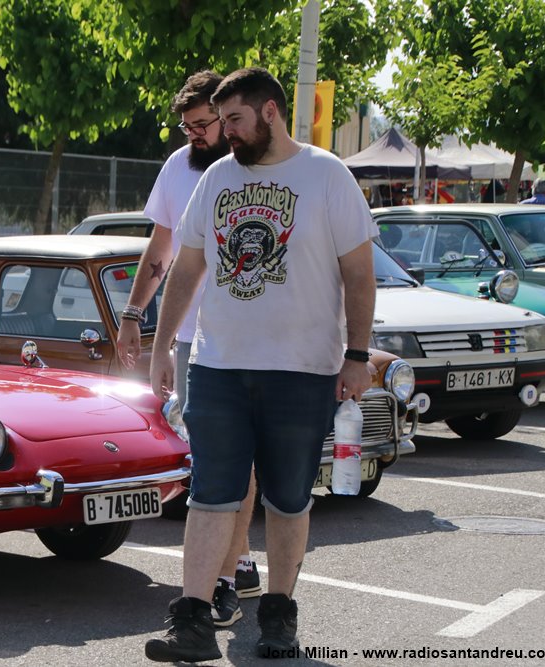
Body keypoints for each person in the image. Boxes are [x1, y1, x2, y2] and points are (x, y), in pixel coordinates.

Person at [144, 67, 376, 662]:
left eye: (235, 119)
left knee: (288, 498)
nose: (226, 132)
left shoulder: (327, 175)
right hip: (219, 366)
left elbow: (358, 273)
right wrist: (162, 346)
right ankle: (192, 621)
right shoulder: (217, 178)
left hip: (302, 370)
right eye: (221, 121)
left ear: (270, 111)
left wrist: (356, 355)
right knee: (210, 493)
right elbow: (187, 268)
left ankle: (278, 616)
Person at [115, 70, 260, 631]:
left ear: (226, 119)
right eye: (188, 126)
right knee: (212, 458)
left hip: (249, 338)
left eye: (203, 124)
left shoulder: (257, 168)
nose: (195, 134)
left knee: (234, 459)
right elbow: (161, 248)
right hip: (192, 338)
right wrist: (134, 316)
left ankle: (228, 573)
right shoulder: (178, 167)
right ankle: (232, 568)